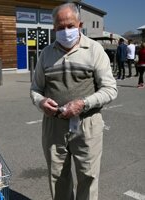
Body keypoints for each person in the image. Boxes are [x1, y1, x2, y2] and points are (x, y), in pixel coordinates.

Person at [30, 3, 117, 200]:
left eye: (70, 26)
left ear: (80, 24)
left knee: (88, 176)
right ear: (54, 28)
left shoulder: (94, 50)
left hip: (87, 124)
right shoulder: (46, 54)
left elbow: (110, 89)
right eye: (60, 28)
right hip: (54, 125)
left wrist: (83, 103)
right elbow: (36, 89)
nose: (65, 31)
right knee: (58, 177)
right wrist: (41, 102)